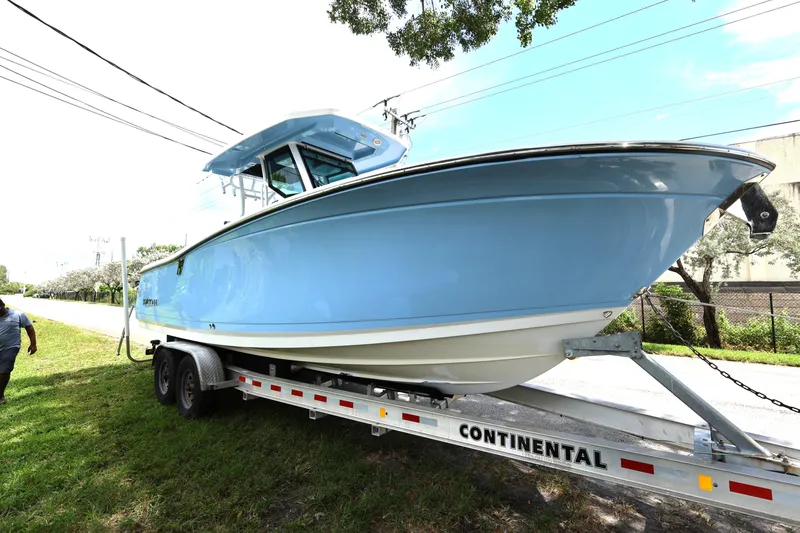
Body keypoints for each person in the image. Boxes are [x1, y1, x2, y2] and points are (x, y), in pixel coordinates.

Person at [0, 297, 37, 404]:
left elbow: (29, 328)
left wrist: (33, 344)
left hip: (11, 347)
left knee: (4, 370)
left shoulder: (18, 315)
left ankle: (0, 395)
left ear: (3, 305)